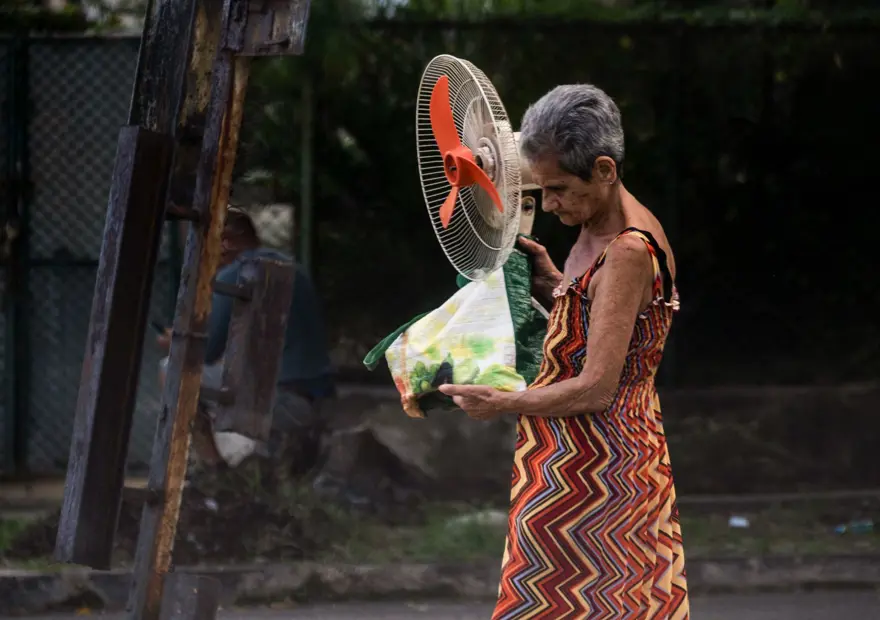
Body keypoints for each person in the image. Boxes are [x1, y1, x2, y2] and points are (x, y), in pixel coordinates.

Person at [439, 85, 690, 618]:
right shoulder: (598, 222)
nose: (548, 204)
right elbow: (598, 324)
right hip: (572, 451)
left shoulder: (627, 250)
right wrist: (556, 281)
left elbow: (598, 388)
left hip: (601, 465)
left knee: (580, 599)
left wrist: (501, 401)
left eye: (557, 189)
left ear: (603, 170)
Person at [158, 207, 335, 473]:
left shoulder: (236, 274)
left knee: (171, 368)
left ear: (226, 242)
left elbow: (204, 353)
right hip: (319, 399)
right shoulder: (293, 268)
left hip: (279, 400)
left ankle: (214, 470)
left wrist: (178, 340)